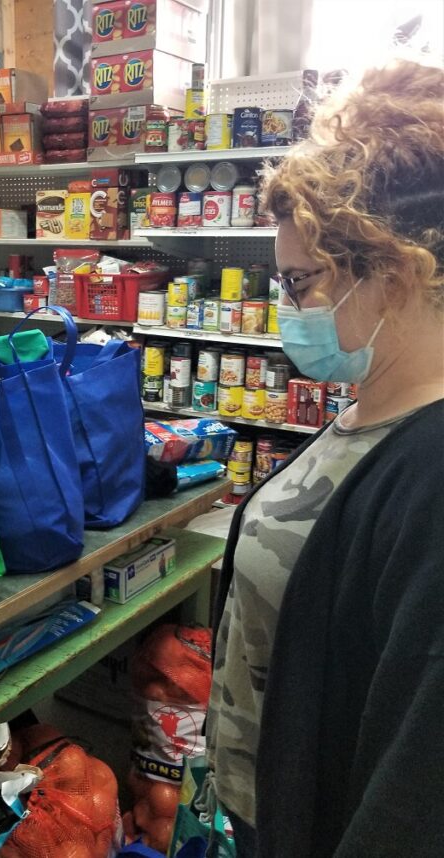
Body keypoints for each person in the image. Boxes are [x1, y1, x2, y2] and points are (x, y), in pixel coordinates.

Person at [203, 58, 444, 857]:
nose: (289, 310)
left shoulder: (432, 469)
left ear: (397, 275)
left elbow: (414, 793)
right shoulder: (371, 406)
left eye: (302, 283)